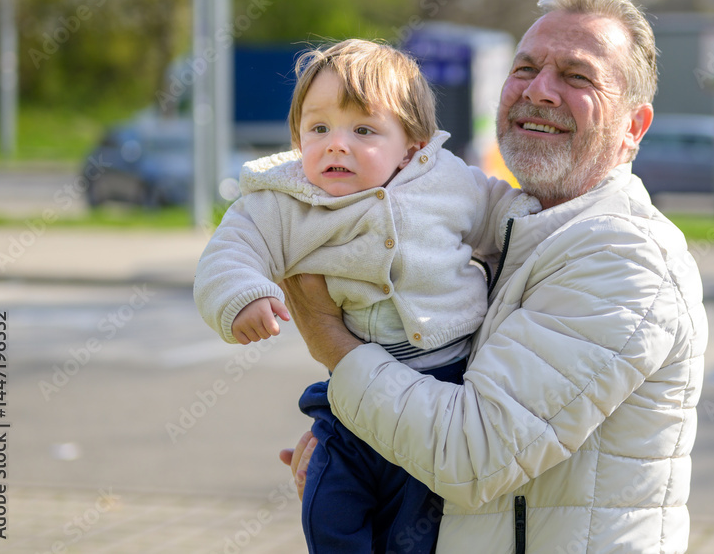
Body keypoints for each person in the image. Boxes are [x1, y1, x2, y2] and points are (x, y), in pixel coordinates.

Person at [279, 0, 709, 553]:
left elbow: (471, 456)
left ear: (633, 127)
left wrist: (325, 335)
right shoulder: (510, 224)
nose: (541, 91)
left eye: (577, 76)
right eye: (525, 68)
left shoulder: (624, 259)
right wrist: (355, 451)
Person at [194, 38, 538, 553]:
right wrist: (243, 294)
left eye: (363, 130)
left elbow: (502, 215)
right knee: (328, 505)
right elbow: (230, 250)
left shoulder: (447, 182)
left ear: (414, 144)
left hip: (443, 386)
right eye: (318, 128)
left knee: (417, 525)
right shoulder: (287, 200)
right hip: (352, 397)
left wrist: (530, 218)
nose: (336, 144)